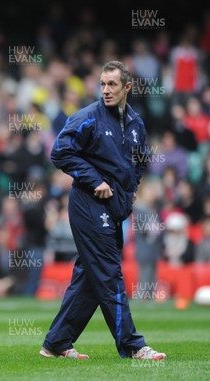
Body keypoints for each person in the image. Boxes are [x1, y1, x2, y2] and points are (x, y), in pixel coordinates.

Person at [40, 61, 166, 360]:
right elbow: (59, 152)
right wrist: (94, 178)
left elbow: (139, 161)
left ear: (127, 87)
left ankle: (56, 343)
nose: (106, 90)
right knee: (109, 274)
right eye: (102, 84)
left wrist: (131, 191)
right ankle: (134, 345)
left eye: (112, 84)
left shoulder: (136, 124)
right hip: (87, 205)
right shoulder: (86, 118)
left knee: (90, 277)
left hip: (115, 208)